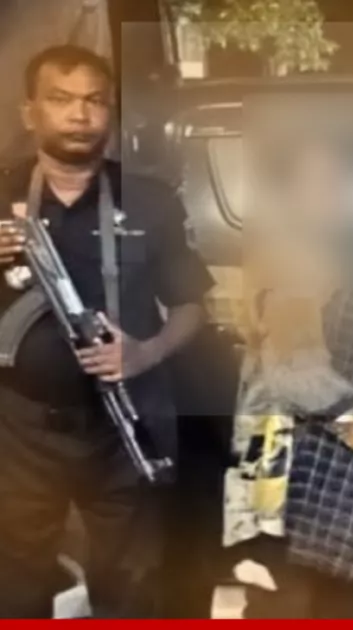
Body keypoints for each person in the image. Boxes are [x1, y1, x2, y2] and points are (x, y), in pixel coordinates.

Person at [0, 45, 213, 618]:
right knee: (14, 588)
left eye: (94, 101)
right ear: (29, 112)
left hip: (125, 422)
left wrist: (144, 353)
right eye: (61, 99)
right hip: (19, 429)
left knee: (133, 588)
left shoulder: (150, 201)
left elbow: (192, 306)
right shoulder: (0, 194)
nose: (80, 114)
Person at [226, 138, 353, 619]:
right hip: (295, 483)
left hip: (348, 491)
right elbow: (297, 377)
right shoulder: (294, 260)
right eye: (316, 185)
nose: (332, 198)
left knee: (341, 604)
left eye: (339, 185)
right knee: (289, 604)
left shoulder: (351, 259)